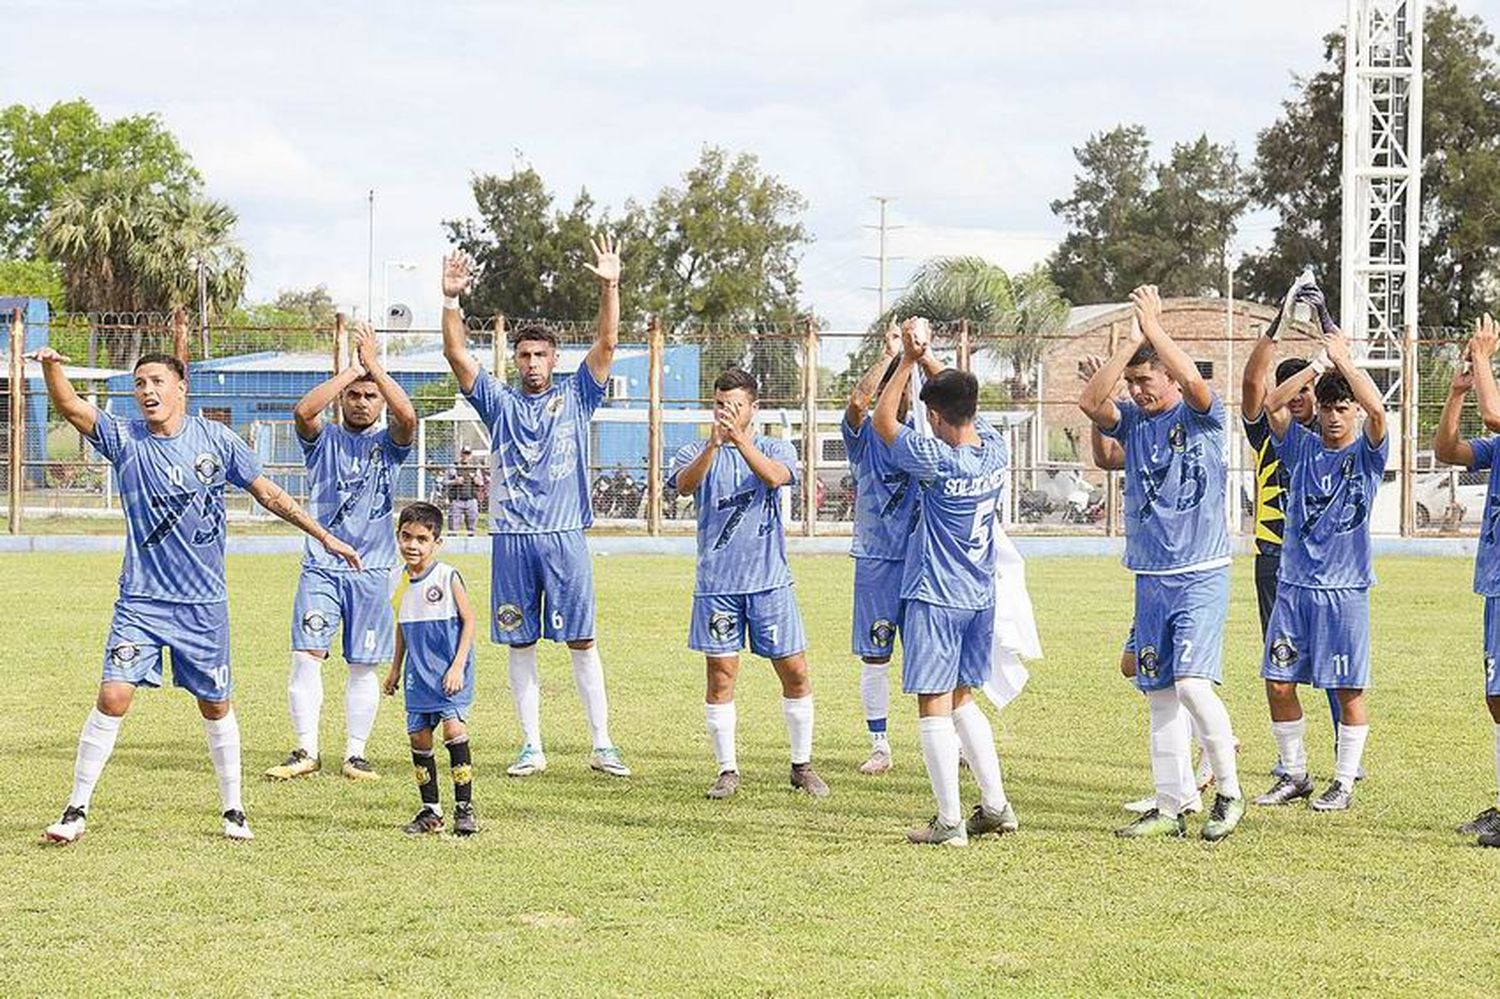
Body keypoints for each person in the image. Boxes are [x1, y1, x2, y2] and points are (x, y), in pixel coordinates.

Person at [34, 348, 361, 844]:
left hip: (203, 606)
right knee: (113, 694)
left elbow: (268, 493)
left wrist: (324, 535)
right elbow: (74, 410)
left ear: (181, 386)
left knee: (215, 705)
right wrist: (51, 368)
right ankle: (76, 809)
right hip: (141, 601)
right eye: (139, 383)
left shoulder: (216, 440)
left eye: (157, 382)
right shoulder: (126, 439)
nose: (147, 391)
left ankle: (233, 809)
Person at [440, 238, 630, 779]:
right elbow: (457, 356)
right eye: (523, 355)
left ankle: (602, 744)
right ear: (515, 360)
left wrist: (609, 285)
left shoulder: (576, 396)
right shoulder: (499, 402)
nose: (531, 362)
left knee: (582, 639)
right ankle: (531, 746)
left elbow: (609, 342)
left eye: (540, 354)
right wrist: (452, 301)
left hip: (565, 534)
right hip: (512, 538)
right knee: (518, 642)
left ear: (554, 359)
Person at [1078, 285, 1245, 842]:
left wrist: (1155, 331)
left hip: (1200, 572)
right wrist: (1129, 347)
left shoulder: (1204, 418)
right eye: (1133, 384)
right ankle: (1171, 805)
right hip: (1150, 577)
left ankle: (1228, 792)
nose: (1138, 391)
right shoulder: (1131, 420)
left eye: (1147, 381)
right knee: (1159, 694)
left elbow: (1195, 383)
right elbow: (1090, 405)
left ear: (1169, 378)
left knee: (1195, 687)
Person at [871, 319, 1014, 846]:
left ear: (932, 416)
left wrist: (908, 359)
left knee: (932, 704)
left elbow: (884, 420)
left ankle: (950, 822)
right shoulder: (995, 450)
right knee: (961, 700)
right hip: (979, 595)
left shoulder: (936, 460)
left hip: (936, 595)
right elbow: (954, 396)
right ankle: (995, 805)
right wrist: (931, 359)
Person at [668, 368, 829, 799]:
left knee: (794, 671)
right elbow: (684, 486)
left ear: (753, 409)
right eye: (720, 405)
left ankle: (801, 764)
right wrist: (714, 445)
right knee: (721, 675)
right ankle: (727, 770)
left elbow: (776, 478)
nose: (726, 413)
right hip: (717, 584)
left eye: (735, 406)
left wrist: (739, 441)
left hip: (769, 582)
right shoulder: (694, 449)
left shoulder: (774, 446)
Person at [1255, 288, 1387, 812]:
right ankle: (1294, 772)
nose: (1334, 417)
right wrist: (1315, 361)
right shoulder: (1301, 445)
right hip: (1294, 586)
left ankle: (1346, 780)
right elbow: (1271, 403)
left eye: (1342, 408)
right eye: (1329, 408)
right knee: (1278, 680)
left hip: (1344, 590)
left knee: (1348, 689)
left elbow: (1378, 408)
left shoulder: (1369, 453)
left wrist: (1345, 361)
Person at [266, 324, 416, 782]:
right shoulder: (323, 440)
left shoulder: (388, 446)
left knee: (362, 664)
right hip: (321, 567)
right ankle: (305, 749)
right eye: (355, 394)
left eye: (371, 395)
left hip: (372, 571)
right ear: (343, 398)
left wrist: (375, 368)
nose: (363, 401)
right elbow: (303, 410)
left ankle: (355, 753)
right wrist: (352, 368)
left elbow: (407, 417)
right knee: (306, 655)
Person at [1241, 280, 1354, 791]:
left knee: (1335, 668)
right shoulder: (1272, 433)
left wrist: (1334, 358)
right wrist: (1288, 335)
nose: (1311, 399)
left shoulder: (1333, 434)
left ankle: (1344, 758)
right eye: (1303, 391)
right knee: (1281, 666)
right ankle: (1294, 767)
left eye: (1314, 391)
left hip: (1327, 567)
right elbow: (1256, 388)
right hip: (1275, 559)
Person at [841, 324, 943, 774]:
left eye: (903, 393)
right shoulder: (863, 440)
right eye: (890, 391)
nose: (896, 399)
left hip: (925, 561)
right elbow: (858, 402)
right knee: (877, 653)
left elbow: (955, 405)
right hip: (877, 561)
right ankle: (880, 744)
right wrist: (892, 356)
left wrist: (922, 357)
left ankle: (951, 740)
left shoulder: (923, 441)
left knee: (937, 654)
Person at [1432, 316, 1500, 844]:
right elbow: (1448, 452)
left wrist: (1481, 355)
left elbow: (1495, 413)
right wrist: (1456, 393)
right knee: (1496, 697)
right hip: (1495, 583)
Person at [382, 502, 479, 836]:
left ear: (437, 542)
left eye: (422, 539)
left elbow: (469, 621)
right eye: (406, 537)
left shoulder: (447, 576)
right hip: (417, 673)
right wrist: (395, 668)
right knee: (418, 735)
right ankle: (431, 812)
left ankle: (464, 809)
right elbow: (402, 624)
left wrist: (458, 666)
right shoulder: (397, 580)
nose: (412, 545)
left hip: (448, 671)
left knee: (453, 730)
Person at [445, 445, 485, 536]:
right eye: (464, 453)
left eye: (468, 454)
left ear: (471, 455)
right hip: (456, 500)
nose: (465, 456)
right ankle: (452, 547)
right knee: (453, 529)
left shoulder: (474, 467)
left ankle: (472, 548)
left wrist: (474, 478)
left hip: (471, 501)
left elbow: (481, 483)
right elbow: (444, 482)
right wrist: (455, 481)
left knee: (472, 529)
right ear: (461, 454)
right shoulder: (453, 467)